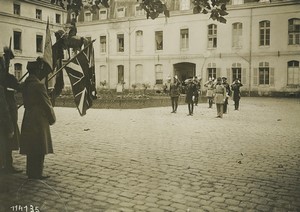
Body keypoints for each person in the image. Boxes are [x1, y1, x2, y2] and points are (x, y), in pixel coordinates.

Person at [20, 57, 56, 180]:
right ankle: (37, 173)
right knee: (40, 146)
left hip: (28, 115)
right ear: (36, 71)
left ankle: (30, 172)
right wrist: (52, 118)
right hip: (39, 118)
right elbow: (46, 104)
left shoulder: (25, 84)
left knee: (31, 146)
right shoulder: (39, 86)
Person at [0, 47, 22, 174]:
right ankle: (7, 165)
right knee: (7, 139)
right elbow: (19, 87)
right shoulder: (7, 78)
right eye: (5, 62)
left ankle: (5, 164)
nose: (6, 64)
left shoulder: (7, 77)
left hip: (7, 112)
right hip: (6, 114)